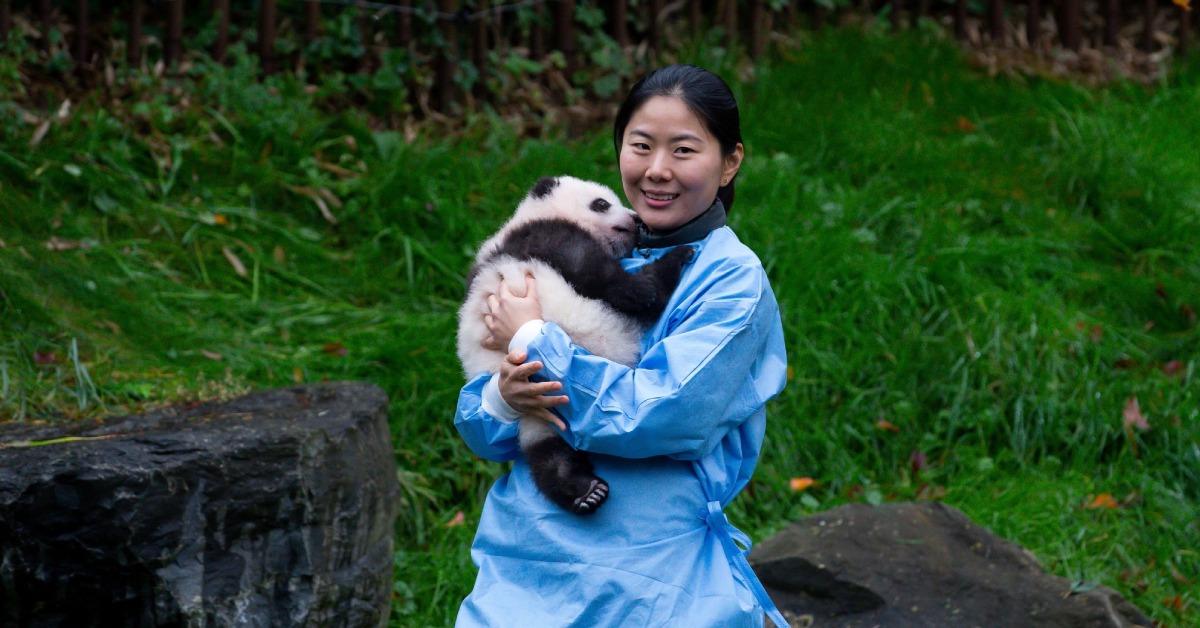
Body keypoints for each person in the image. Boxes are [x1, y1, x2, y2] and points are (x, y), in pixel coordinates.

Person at [453, 64, 789, 627]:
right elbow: (485, 433)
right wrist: (504, 398)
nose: (657, 169)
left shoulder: (732, 281)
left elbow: (666, 415)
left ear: (730, 161)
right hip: (523, 566)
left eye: (683, 150)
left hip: (650, 580)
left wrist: (534, 340)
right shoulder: (586, 248)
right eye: (641, 145)